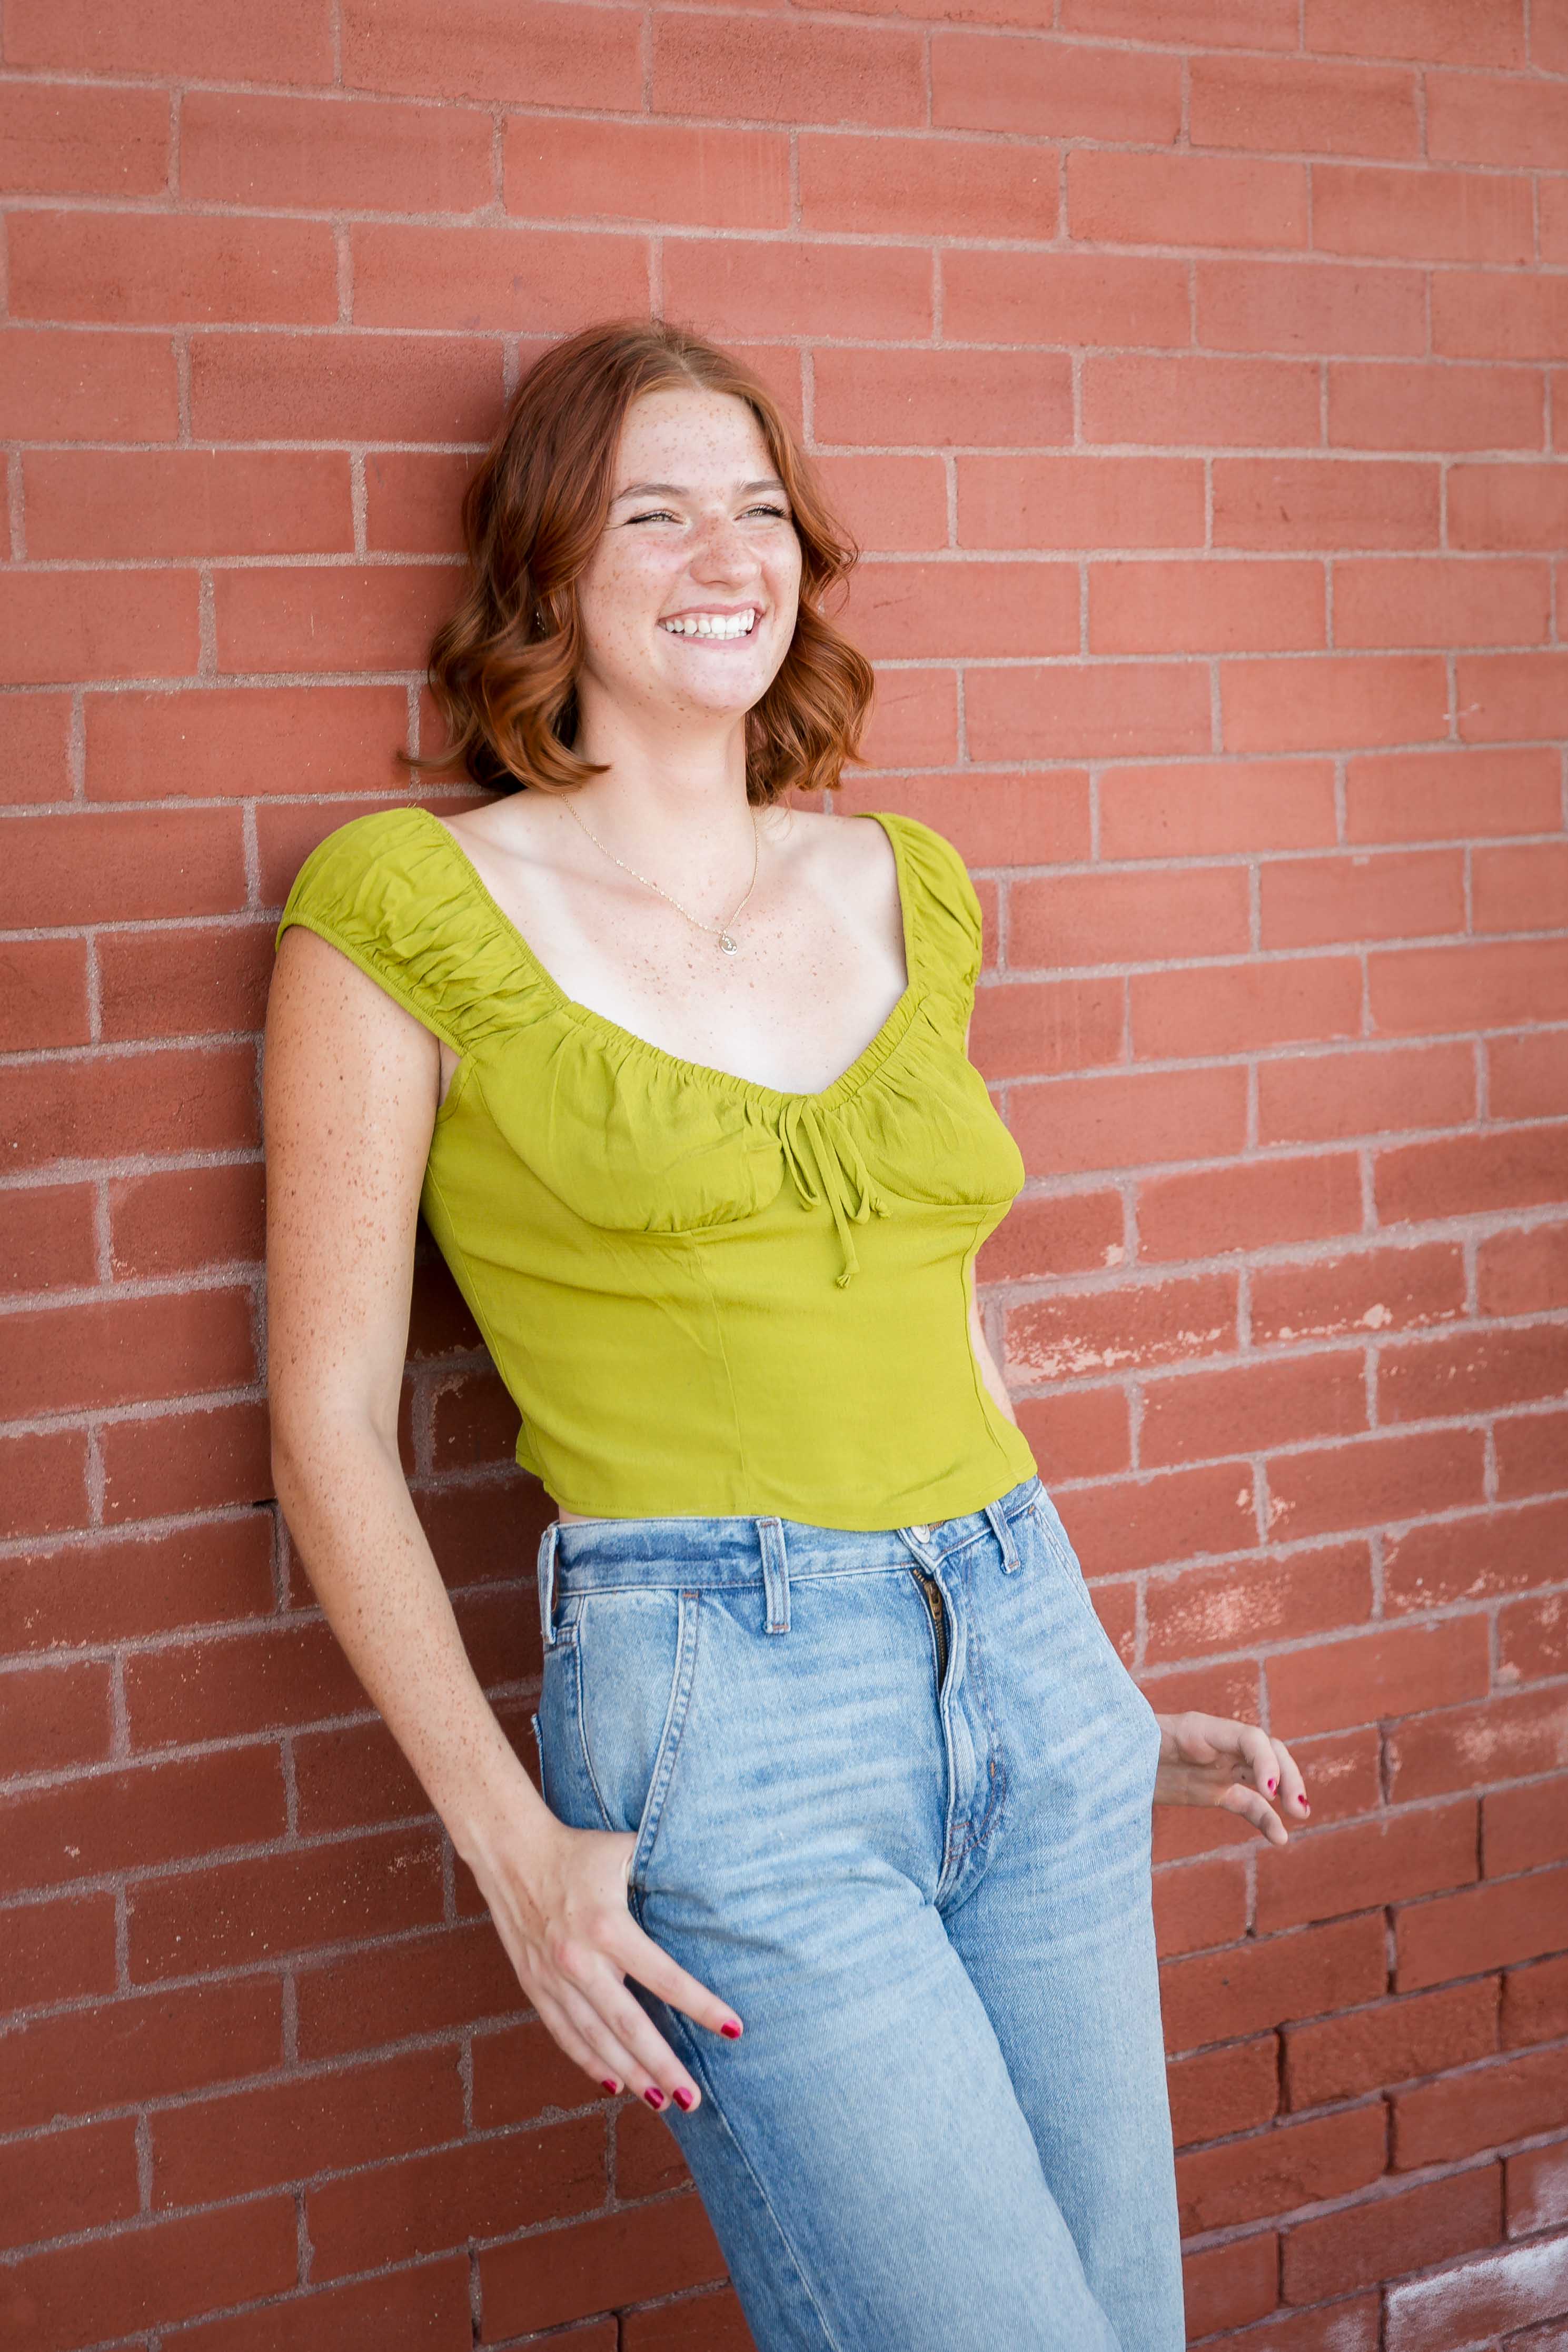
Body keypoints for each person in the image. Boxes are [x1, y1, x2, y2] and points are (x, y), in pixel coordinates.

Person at [264, 319, 1309, 2352]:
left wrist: (1082, 1695)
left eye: (757, 507)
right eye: (652, 509)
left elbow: (939, 1318)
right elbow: (324, 1417)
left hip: (1018, 1648)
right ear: (550, 569)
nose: (719, 551)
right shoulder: (404, 904)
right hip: (726, 1722)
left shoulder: (904, 884)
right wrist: (517, 1847)